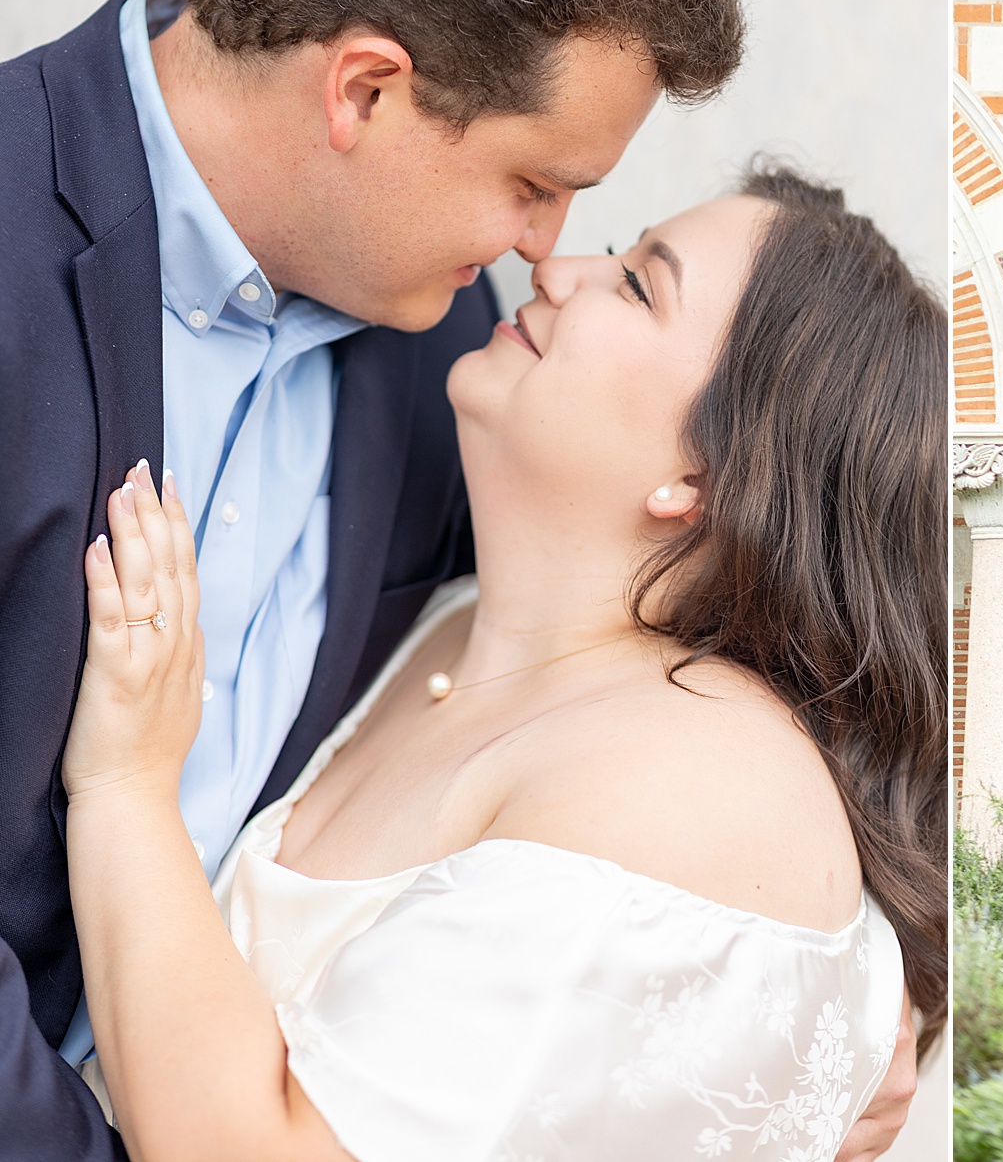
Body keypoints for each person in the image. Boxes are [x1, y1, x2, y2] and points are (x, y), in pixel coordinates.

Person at [0, 0, 914, 1159]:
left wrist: (826, 1000)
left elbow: (688, 660)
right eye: (536, 184)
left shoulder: (451, 358)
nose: (552, 251)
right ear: (365, 90)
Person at [63, 167, 947, 1160]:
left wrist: (125, 782)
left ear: (703, 475)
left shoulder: (688, 790)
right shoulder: (450, 613)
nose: (559, 269)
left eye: (638, 285)